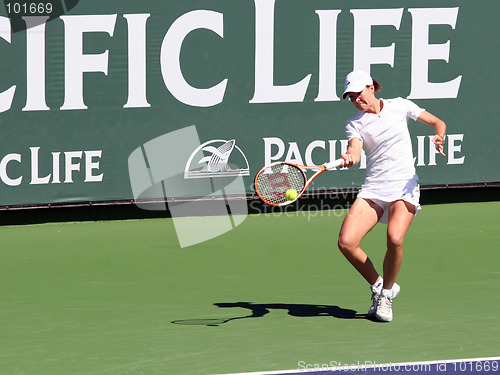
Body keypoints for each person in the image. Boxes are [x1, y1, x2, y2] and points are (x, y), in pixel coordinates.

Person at [337, 70, 446, 322]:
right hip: (374, 189)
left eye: (359, 93)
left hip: (404, 187)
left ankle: (386, 295)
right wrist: (351, 156)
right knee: (346, 242)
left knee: (395, 239)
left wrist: (439, 135)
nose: (356, 99)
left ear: (371, 87)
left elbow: (437, 122)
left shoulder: (400, 106)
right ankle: (378, 285)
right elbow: (354, 148)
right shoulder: (354, 123)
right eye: (351, 97)